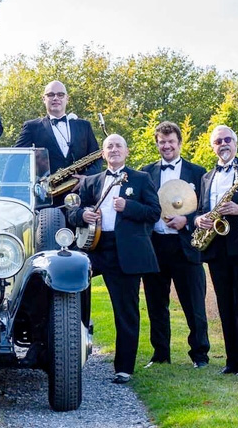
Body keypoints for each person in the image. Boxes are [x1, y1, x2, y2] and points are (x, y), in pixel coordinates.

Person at [67, 134, 160, 384]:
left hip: (125, 252)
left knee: (125, 310)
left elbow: (154, 212)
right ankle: (68, 355)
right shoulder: (92, 181)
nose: (114, 149)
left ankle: (124, 368)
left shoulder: (141, 179)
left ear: (127, 152)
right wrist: (82, 215)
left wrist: (128, 207)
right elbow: (74, 211)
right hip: (94, 249)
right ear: (103, 154)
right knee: (70, 299)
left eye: (119, 146)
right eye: (109, 146)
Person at [140, 120, 209, 368]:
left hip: (186, 246)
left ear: (180, 143)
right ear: (157, 144)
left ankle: (200, 355)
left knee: (194, 304)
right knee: (156, 303)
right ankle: (160, 355)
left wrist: (187, 220)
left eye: (171, 141)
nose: (166, 146)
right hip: (155, 246)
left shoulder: (198, 173)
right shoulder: (146, 172)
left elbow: (205, 208)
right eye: (162, 142)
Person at [194, 125, 238, 375]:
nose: (223, 144)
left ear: (236, 143)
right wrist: (199, 220)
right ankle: (232, 361)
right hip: (216, 247)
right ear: (213, 147)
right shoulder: (207, 177)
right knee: (224, 305)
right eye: (218, 141)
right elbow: (199, 209)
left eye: (228, 139)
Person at [14, 80, 101, 204]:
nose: (56, 98)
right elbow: (16, 159)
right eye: (51, 95)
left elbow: (97, 157)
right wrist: (5, 193)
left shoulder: (84, 126)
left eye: (60, 95)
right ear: (43, 99)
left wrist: (87, 178)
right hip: (47, 198)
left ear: (67, 98)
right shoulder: (31, 127)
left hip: (81, 194)